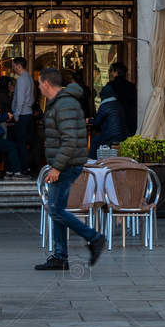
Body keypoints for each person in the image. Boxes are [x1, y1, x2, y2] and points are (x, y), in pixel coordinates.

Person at [36, 67, 105, 271]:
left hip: (66, 164)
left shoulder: (64, 104)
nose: (39, 87)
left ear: (46, 84)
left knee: (55, 209)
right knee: (56, 208)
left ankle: (94, 238)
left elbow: (69, 139)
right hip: (66, 163)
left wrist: (56, 167)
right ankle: (60, 256)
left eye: (39, 83)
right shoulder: (62, 103)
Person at [8, 57, 36, 177]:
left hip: (22, 114)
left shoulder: (21, 80)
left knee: (19, 142)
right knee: (22, 142)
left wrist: (16, 114)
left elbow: (20, 99)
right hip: (27, 113)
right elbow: (31, 97)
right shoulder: (29, 78)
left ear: (19, 66)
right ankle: (24, 167)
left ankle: (21, 168)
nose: (13, 68)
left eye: (14, 65)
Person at [99, 62, 137, 138]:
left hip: (114, 122)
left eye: (111, 71)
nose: (111, 73)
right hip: (130, 121)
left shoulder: (110, 86)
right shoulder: (131, 86)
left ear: (115, 72)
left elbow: (105, 105)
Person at [88, 86, 126, 158]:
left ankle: (92, 161)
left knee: (94, 141)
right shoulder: (119, 104)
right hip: (122, 136)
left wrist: (89, 120)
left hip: (110, 137)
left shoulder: (104, 106)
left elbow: (97, 122)